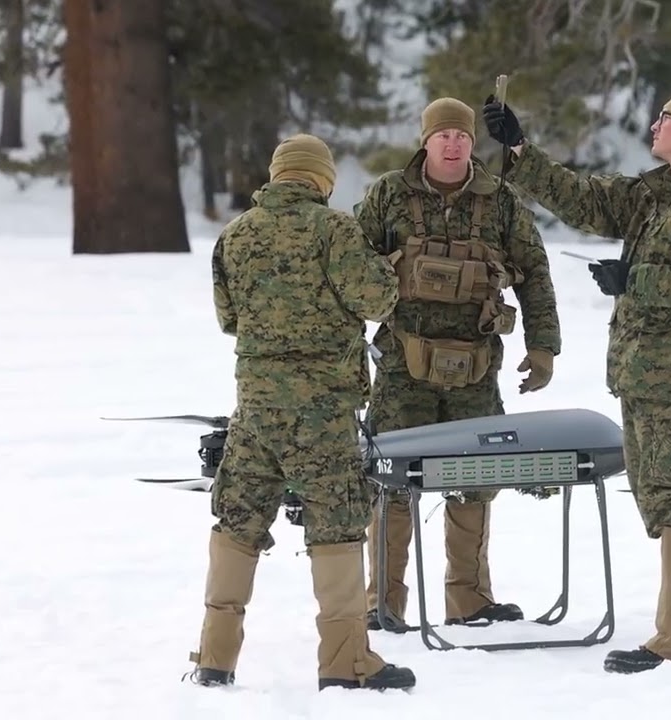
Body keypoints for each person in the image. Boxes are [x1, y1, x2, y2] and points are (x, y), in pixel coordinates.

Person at [482, 88, 671, 673]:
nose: (655, 124)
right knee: (666, 498)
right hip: (644, 375)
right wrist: (520, 148)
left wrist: (635, 280)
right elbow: (584, 200)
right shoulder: (656, 194)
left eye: (667, 117)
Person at [187, 134, 416, 692]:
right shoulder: (335, 229)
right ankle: (346, 662)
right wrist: (386, 268)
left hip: (256, 409)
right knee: (336, 526)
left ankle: (214, 657)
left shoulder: (235, 234)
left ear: (277, 175)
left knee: (238, 524)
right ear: (322, 180)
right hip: (322, 413)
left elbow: (229, 318)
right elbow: (376, 301)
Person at [354, 97, 562, 630]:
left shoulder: (501, 200)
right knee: (391, 479)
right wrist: (345, 349)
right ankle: (382, 603)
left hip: (476, 365)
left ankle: (470, 600)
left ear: (473, 142)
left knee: (476, 478)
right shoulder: (387, 195)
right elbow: (350, 270)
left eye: (463, 135)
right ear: (425, 140)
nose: (453, 144)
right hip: (402, 366)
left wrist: (543, 347)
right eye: (443, 135)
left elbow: (534, 272)